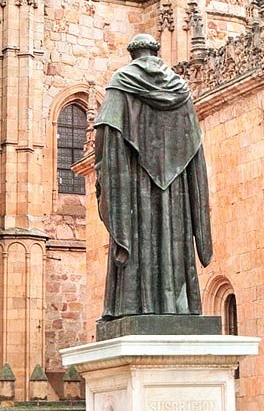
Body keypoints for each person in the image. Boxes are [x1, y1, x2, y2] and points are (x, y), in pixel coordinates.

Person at [93, 34, 214, 320]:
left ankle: (132, 307)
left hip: (135, 186)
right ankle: (177, 306)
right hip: (176, 194)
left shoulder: (121, 82)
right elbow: (194, 142)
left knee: (140, 239)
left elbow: (104, 131)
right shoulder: (181, 90)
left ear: (133, 55)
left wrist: (103, 173)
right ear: (156, 53)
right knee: (172, 238)